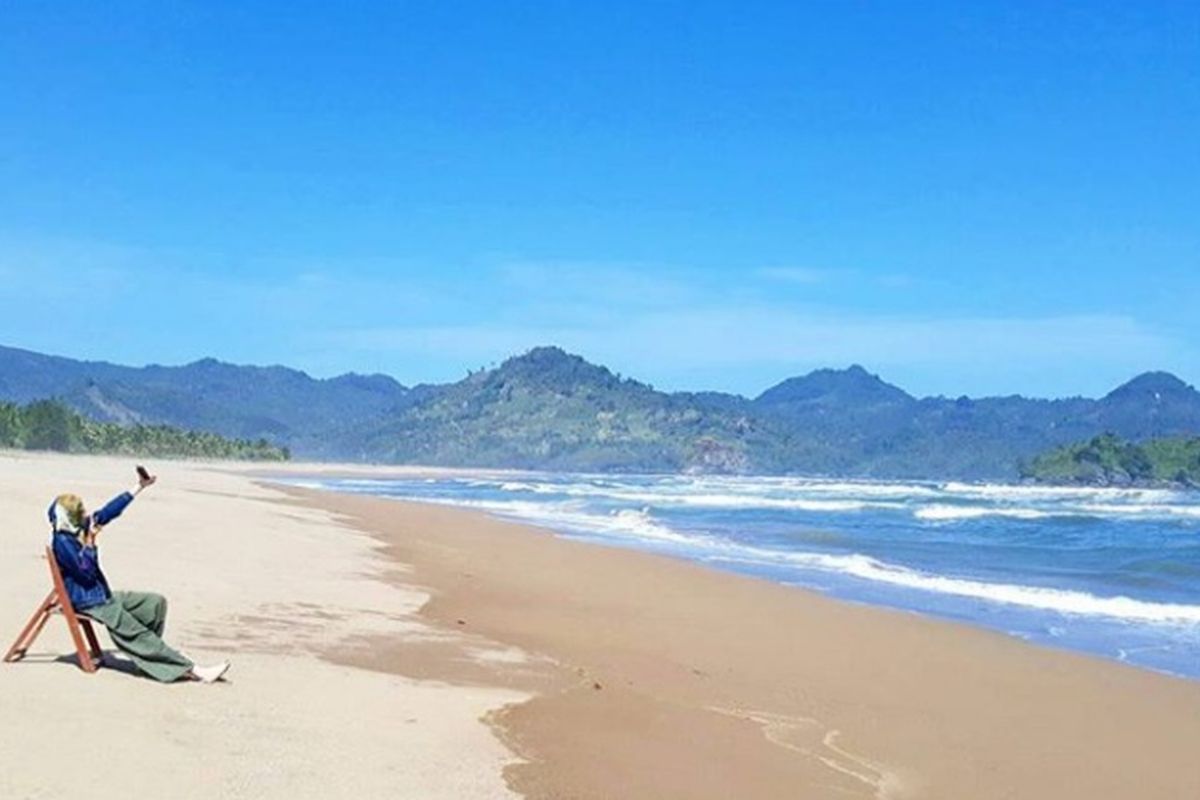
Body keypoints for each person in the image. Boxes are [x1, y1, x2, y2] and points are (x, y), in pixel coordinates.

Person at [49, 468, 230, 683]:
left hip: (101, 595)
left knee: (154, 604)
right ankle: (193, 670)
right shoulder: (62, 541)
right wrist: (91, 544)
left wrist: (139, 487)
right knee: (135, 632)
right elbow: (86, 574)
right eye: (80, 511)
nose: (85, 514)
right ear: (69, 516)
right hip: (89, 601)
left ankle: (150, 659)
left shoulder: (76, 529)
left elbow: (108, 512)